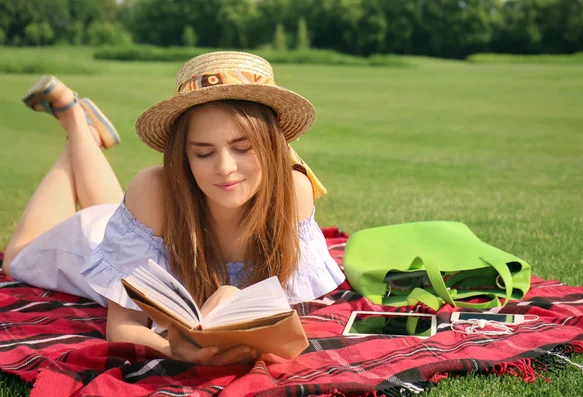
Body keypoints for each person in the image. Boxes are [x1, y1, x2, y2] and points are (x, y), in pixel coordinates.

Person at [2, 51, 345, 365]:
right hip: (88, 241)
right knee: (15, 257)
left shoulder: (293, 191)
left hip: (135, 224)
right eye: (204, 153)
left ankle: (86, 137)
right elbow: (122, 326)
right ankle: (74, 119)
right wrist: (171, 350)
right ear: (183, 157)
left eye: (243, 147)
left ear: (273, 146)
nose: (225, 167)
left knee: (113, 207)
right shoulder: (153, 190)